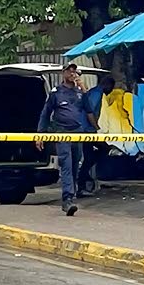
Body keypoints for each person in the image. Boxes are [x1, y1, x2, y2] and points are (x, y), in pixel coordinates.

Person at [36, 64, 94, 216]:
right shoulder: (56, 93)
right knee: (66, 164)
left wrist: (83, 88)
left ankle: (72, 195)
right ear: (63, 73)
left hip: (77, 133)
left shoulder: (79, 92)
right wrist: (40, 134)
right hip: (61, 132)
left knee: (76, 164)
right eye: (69, 70)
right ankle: (67, 199)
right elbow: (45, 114)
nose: (72, 73)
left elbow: (89, 109)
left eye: (74, 71)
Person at [77, 76, 116, 196]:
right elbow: (90, 112)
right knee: (104, 149)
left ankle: (84, 178)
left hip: (86, 130)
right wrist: (97, 128)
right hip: (87, 131)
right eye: (112, 87)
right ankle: (83, 178)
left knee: (90, 157)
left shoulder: (93, 92)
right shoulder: (97, 94)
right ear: (107, 85)